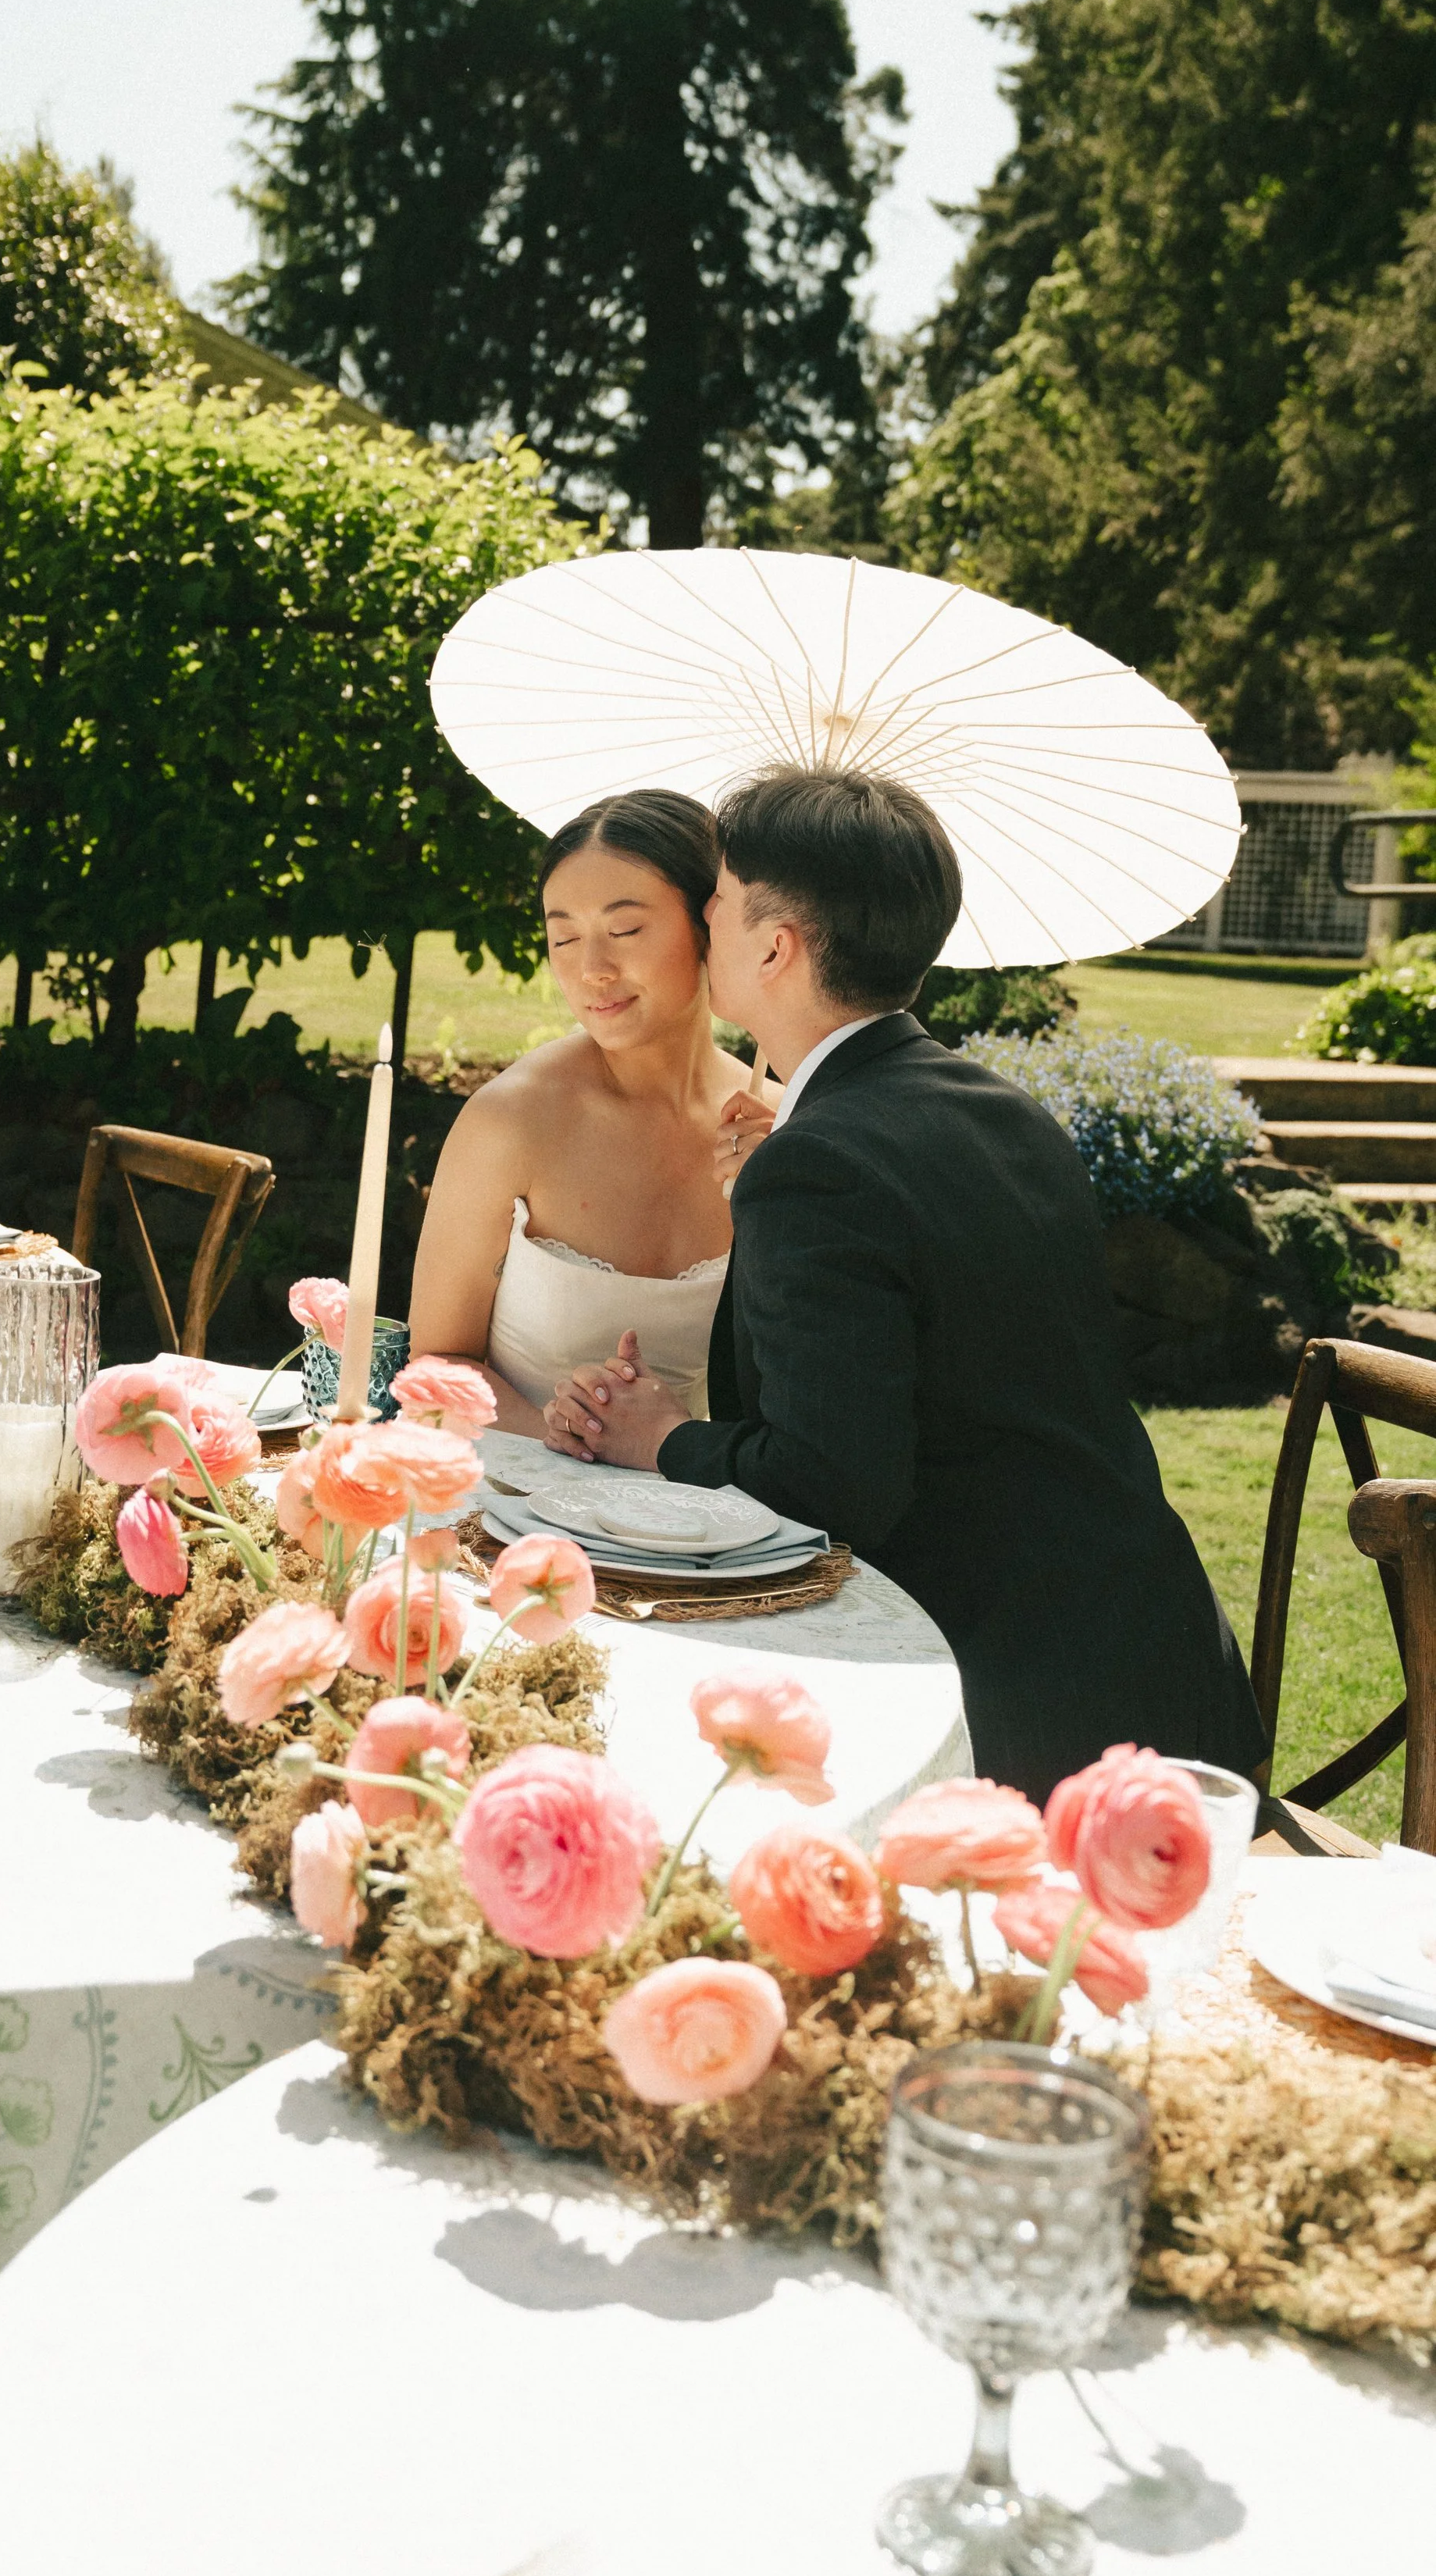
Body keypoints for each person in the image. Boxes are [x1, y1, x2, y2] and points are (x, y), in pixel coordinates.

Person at [552, 763, 1267, 1800]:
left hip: (1013, 1720)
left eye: (715, 898)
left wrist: (656, 1436)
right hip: (1168, 1668)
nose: (698, 924)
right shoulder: (998, 1108)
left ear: (773, 944)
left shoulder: (820, 1163)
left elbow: (833, 1483)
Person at [408, 789, 753, 1439]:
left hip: (704, 1512)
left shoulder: (778, 1126)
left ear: (710, 926)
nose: (592, 970)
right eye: (563, 936)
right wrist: (561, 1434)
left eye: (625, 931)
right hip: (512, 1505)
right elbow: (438, 1367)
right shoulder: (510, 1121)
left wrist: (774, 1201)